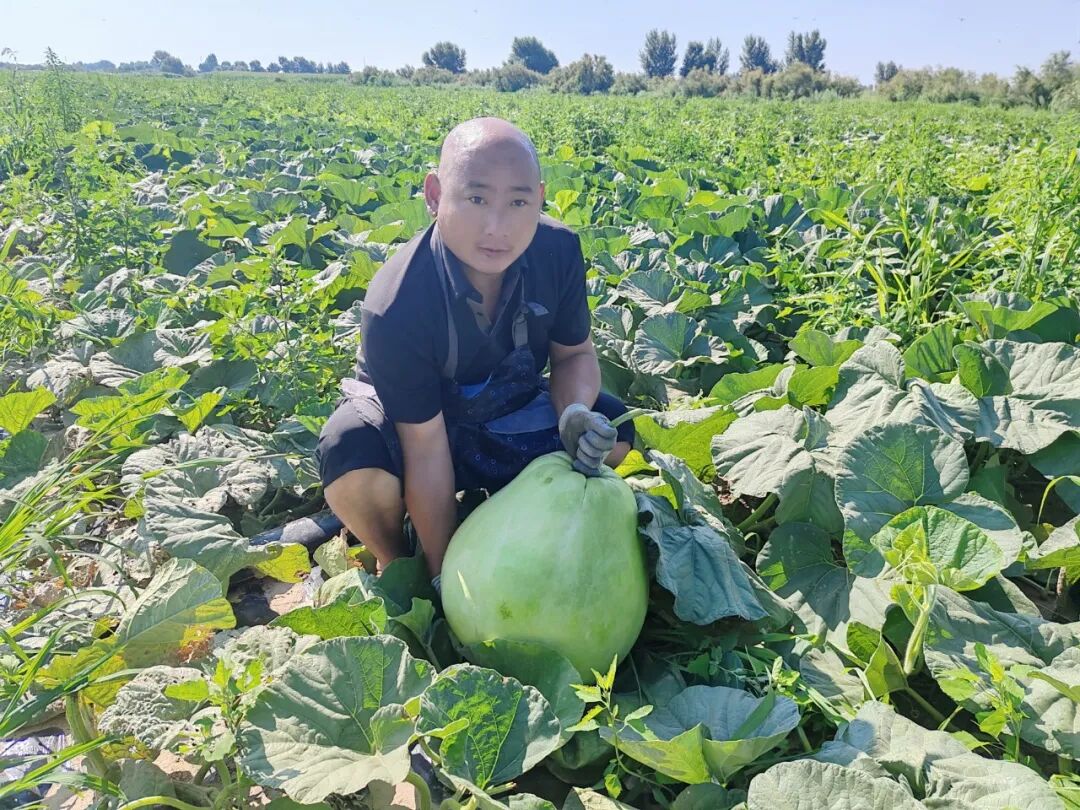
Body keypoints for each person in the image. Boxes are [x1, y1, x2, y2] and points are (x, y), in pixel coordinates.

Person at [316, 117, 634, 593]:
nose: (497, 227)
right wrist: (448, 578)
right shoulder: (396, 301)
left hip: (503, 409)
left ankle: (521, 525)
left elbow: (574, 355)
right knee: (349, 451)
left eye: (519, 202)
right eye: (477, 198)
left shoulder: (558, 250)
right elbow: (424, 447)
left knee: (616, 429)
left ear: (541, 198)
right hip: (413, 428)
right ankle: (399, 558)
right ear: (435, 195)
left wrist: (573, 410)